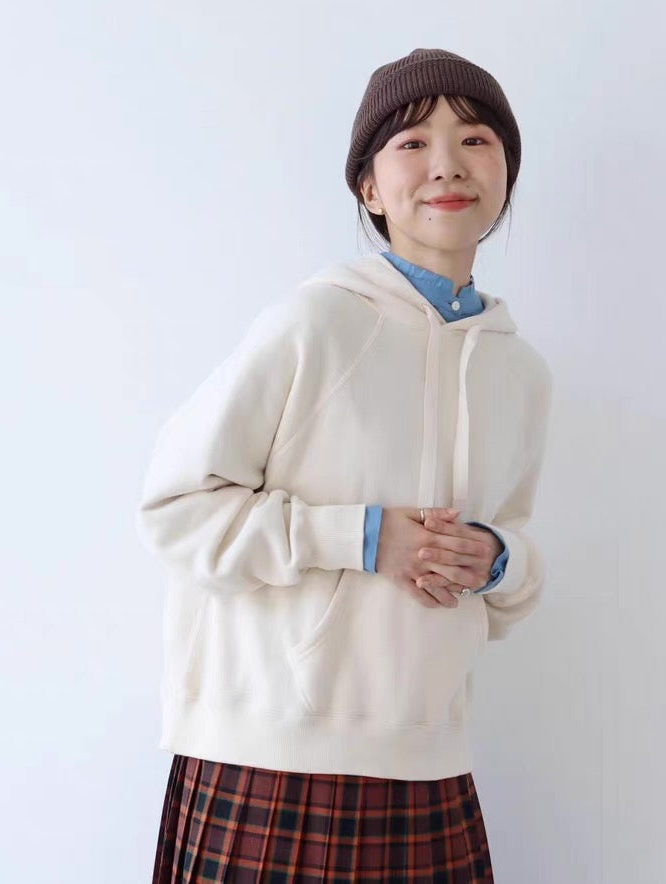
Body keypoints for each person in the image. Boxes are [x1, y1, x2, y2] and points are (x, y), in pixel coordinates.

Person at [136, 46, 553, 882]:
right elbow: (175, 510)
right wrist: (361, 537)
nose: (447, 164)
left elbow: (511, 585)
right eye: (412, 143)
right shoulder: (315, 325)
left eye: (475, 140)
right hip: (269, 756)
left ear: (506, 174)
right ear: (369, 188)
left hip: (430, 762)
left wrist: (495, 560)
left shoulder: (521, 373)